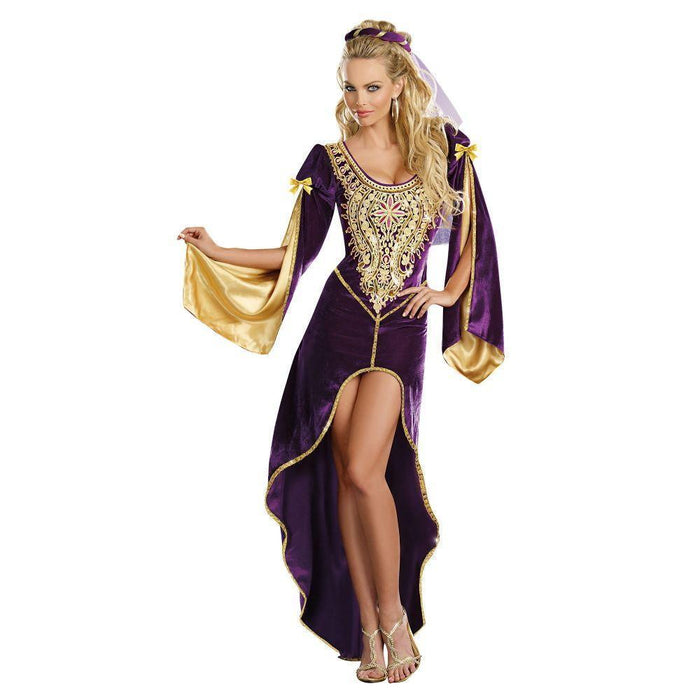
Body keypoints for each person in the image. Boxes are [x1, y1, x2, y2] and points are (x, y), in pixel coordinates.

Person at [178, 19, 504, 683]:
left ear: (401, 85)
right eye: (351, 88)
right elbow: (294, 253)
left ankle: (396, 617)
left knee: (362, 470)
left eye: (372, 87)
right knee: (347, 478)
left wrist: (447, 293)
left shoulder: (445, 149)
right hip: (339, 323)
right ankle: (369, 626)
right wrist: (218, 249)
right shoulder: (330, 160)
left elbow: (476, 229)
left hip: (403, 329)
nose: (359, 101)